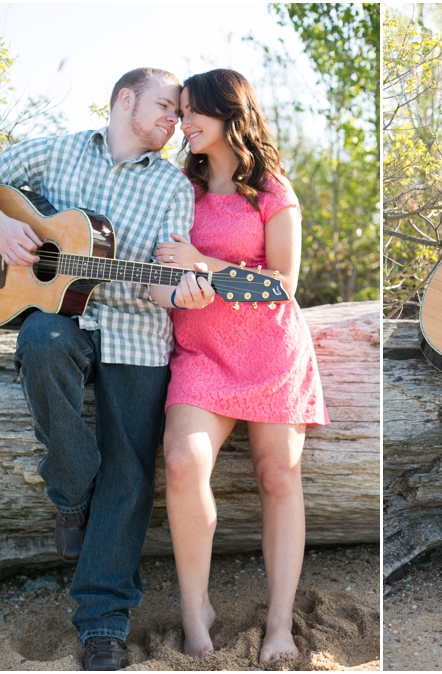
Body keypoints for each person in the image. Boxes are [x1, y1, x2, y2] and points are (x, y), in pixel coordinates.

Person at [0, 67, 215, 671]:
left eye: (178, 114)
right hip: (64, 324)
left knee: (129, 473)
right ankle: (71, 489)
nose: (175, 122)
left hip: (136, 334)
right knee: (42, 337)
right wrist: (0, 224)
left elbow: (162, 283)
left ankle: (103, 622)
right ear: (126, 100)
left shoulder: (172, 187)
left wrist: (184, 291)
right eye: (166, 108)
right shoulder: (63, 150)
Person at [152, 69, 328, 662]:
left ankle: (279, 624)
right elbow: (161, 272)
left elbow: (283, 285)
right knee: (182, 461)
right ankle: (193, 607)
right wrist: (178, 285)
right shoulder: (178, 187)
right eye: (180, 112)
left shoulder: (272, 189)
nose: (184, 122)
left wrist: (203, 263)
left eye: (194, 110)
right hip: (201, 353)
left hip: (270, 351)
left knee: (278, 476)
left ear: (230, 114)